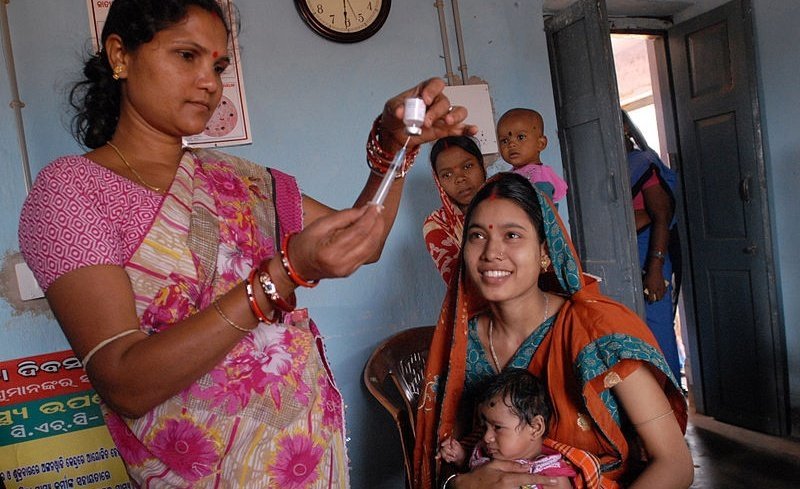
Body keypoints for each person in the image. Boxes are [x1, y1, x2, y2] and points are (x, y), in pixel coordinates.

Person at [17, 1, 476, 487]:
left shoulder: (241, 179)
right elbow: (124, 382)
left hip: (307, 461)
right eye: (186, 55)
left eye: (217, 65)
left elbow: (362, 240)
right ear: (120, 56)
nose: (210, 82)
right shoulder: (71, 191)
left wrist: (396, 147)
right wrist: (282, 275)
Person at [413, 173, 693, 489]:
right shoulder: (461, 346)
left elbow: (675, 463)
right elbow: (449, 464)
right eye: (477, 236)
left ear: (545, 251)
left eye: (513, 235)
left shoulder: (597, 333)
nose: (492, 252)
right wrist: (458, 484)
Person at [437, 368, 576, 489]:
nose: (486, 437)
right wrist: (460, 457)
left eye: (497, 427)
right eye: (484, 426)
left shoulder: (552, 478)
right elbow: (471, 473)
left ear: (535, 428)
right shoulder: (483, 453)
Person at [621, 111, 682, 383]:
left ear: (624, 127)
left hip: (650, 255)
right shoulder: (608, 167)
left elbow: (661, 217)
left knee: (658, 334)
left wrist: (655, 268)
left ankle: (670, 406)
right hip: (623, 258)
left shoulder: (642, 163)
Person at [423, 136, 487, 284]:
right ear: (438, 181)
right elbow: (459, 284)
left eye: (467, 166)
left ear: (482, 165)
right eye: (447, 174)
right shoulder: (437, 224)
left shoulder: (510, 204)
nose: (460, 178)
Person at [496, 108, 568, 205]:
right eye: (504, 141)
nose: (511, 144)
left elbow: (543, 212)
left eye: (521, 137)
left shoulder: (540, 178)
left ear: (540, 143)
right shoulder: (510, 174)